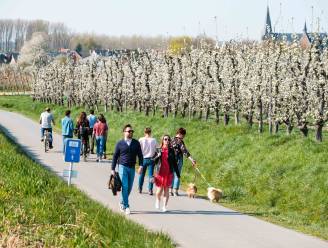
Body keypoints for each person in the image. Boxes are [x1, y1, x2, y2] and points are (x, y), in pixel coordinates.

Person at [111, 124, 143, 215]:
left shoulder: (136, 143)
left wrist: (141, 165)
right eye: (129, 131)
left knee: (129, 188)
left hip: (132, 168)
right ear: (124, 132)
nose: (130, 133)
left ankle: (121, 202)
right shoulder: (120, 143)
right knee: (124, 186)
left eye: (131, 131)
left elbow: (140, 155)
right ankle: (127, 206)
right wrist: (112, 169)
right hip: (122, 167)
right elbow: (115, 156)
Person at [153, 135, 180, 212]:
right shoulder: (158, 150)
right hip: (160, 173)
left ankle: (164, 206)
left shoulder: (171, 151)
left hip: (168, 173)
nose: (167, 141)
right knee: (158, 191)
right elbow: (153, 161)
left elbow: (174, 163)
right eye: (165, 139)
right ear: (162, 140)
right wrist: (157, 156)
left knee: (166, 190)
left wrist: (177, 174)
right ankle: (157, 200)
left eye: (168, 139)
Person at [170, 127, 196, 196]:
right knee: (177, 175)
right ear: (181, 134)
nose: (184, 137)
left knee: (171, 174)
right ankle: (175, 191)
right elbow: (185, 151)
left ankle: (170, 190)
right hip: (178, 159)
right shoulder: (180, 141)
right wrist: (192, 160)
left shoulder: (171, 139)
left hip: (171, 159)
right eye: (184, 135)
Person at [138, 127, 157, 195]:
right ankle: (150, 190)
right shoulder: (153, 140)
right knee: (151, 175)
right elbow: (156, 149)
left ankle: (140, 188)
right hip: (151, 159)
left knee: (142, 175)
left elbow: (138, 148)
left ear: (144, 132)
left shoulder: (141, 139)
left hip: (143, 159)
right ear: (150, 132)